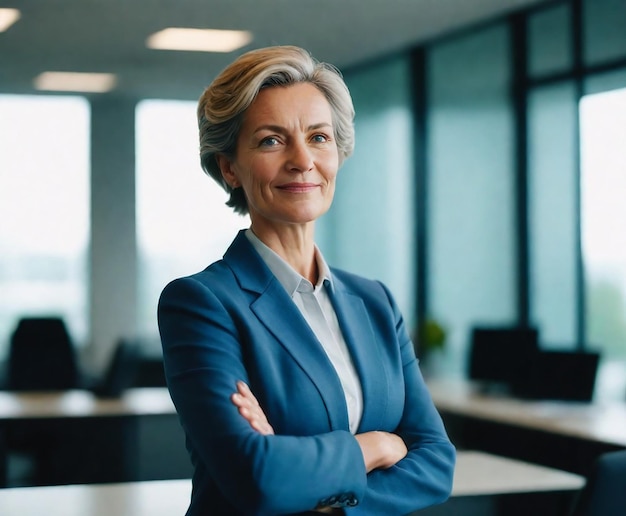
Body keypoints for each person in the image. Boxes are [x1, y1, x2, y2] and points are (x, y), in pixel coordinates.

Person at [158, 45, 455, 516]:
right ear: (229, 166)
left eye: (318, 137)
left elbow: (436, 462)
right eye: (272, 140)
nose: (302, 160)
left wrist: (316, 488)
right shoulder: (200, 304)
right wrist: (376, 447)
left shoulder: (375, 302)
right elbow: (256, 476)